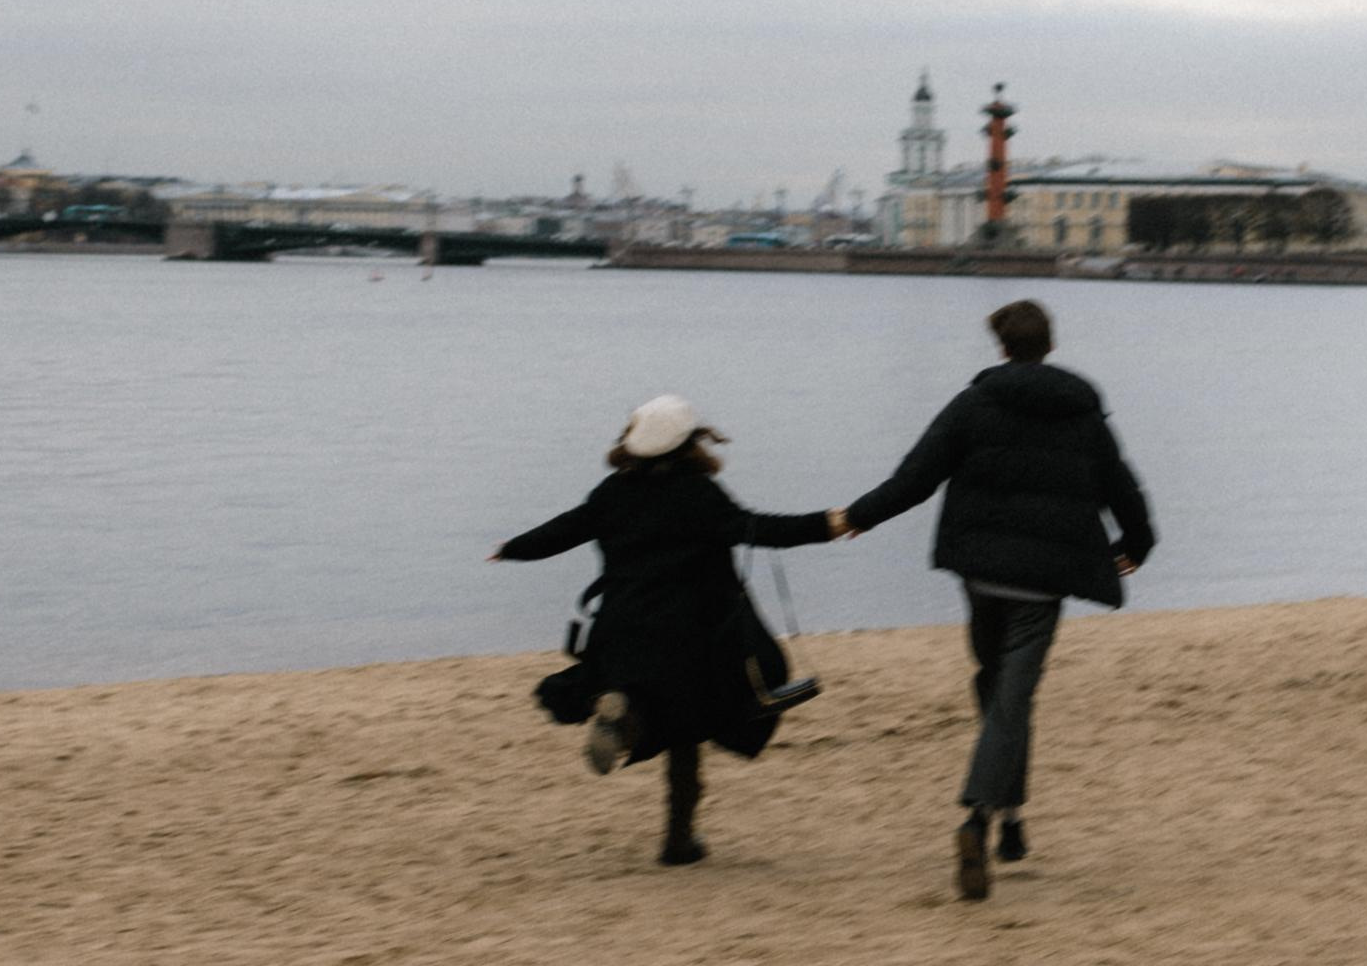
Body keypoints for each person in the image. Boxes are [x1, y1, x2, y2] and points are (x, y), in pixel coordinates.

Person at [842, 299, 1154, 901]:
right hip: (1043, 581)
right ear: (1049, 347)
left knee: (997, 690)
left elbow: (917, 475)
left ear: (1003, 348)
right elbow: (1122, 485)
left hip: (981, 574)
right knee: (1011, 698)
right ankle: (979, 819)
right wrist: (1137, 544)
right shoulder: (1083, 412)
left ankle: (1010, 821)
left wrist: (860, 515)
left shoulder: (975, 403)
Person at [492, 396, 846, 865]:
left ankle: (625, 719)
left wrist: (512, 548)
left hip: (621, 632)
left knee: (656, 713)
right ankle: (677, 839)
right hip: (690, 639)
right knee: (688, 732)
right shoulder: (699, 494)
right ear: (691, 443)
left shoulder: (612, 492)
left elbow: (564, 530)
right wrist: (830, 524)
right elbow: (758, 528)